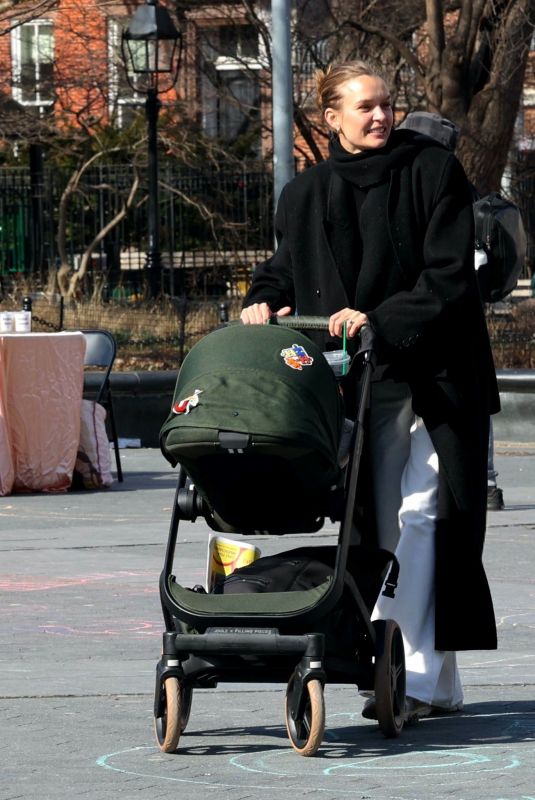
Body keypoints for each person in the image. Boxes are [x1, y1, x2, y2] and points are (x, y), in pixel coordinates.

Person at [241, 60, 499, 719]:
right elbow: (283, 268)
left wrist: (378, 321)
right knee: (382, 529)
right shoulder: (305, 194)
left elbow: (447, 279)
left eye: (386, 104)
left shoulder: (432, 172)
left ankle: (410, 682)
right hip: (363, 386)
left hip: (438, 380)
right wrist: (261, 302)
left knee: (424, 518)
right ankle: (427, 680)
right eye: (365, 107)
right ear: (330, 118)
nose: (381, 116)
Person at [398, 111, 505, 512]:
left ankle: (486, 479)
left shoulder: (444, 189)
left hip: (446, 333)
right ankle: (487, 480)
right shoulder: (454, 186)